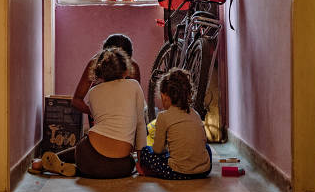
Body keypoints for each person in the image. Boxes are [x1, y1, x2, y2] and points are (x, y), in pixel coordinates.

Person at [42, 47, 147, 178]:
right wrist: (141, 162)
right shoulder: (134, 85)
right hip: (120, 166)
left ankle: (51, 163)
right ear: (126, 70)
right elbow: (140, 125)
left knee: (85, 148)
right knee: (130, 163)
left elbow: (97, 121)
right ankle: (75, 169)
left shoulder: (93, 93)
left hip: (87, 156)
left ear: (99, 73)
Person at [137, 68, 212, 180]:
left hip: (177, 172)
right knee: (206, 148)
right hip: (203, 171)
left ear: (165, 97)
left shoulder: (163, 116)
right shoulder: (195, 114)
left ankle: (152, 171)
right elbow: (203, 141)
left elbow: (158, 150)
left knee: (145, 152)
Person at [71, 34, 141, 117]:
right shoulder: (95, 64)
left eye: (121, 67)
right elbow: (76, 100)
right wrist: (96, 113)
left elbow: (136, 104)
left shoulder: (133, 68)